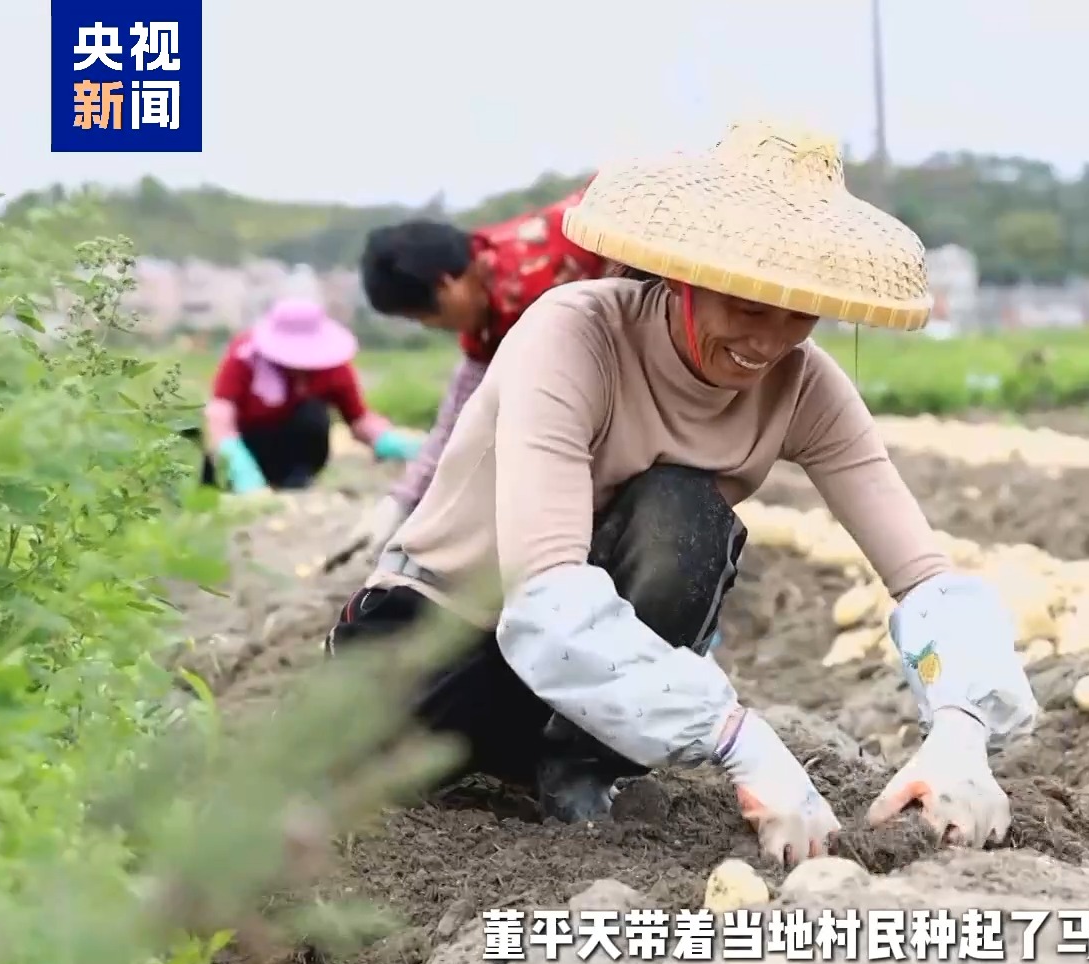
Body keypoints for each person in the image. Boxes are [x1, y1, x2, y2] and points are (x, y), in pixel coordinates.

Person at [322, 119, 1038, 867]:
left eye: (798, 313)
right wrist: (737, 736)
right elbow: (544, 593)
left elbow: (925, 577)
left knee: (683, 513)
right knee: (373, 775)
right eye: (747, 307)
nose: (768, 342)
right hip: (447, 631)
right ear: (684, 277)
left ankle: (581, 763)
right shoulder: (574, 336)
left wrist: (962, 726)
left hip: (588, 686)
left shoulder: (803, 386)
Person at [341, 189, 611, 558]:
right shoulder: (486, 311)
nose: (433, 327)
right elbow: (456, 423)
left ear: (446, 286)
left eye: (426, 316)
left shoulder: (539, 284)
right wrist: (399, 501)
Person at [200, 297, 422, 495]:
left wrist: (395, 443)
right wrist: (243, 473)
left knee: (313, 414)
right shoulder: (245, 357)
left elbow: (359, 419)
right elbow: (220, 417)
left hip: (293, 451)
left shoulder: (333, 367)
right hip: (245, 445)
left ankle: (294, 481)